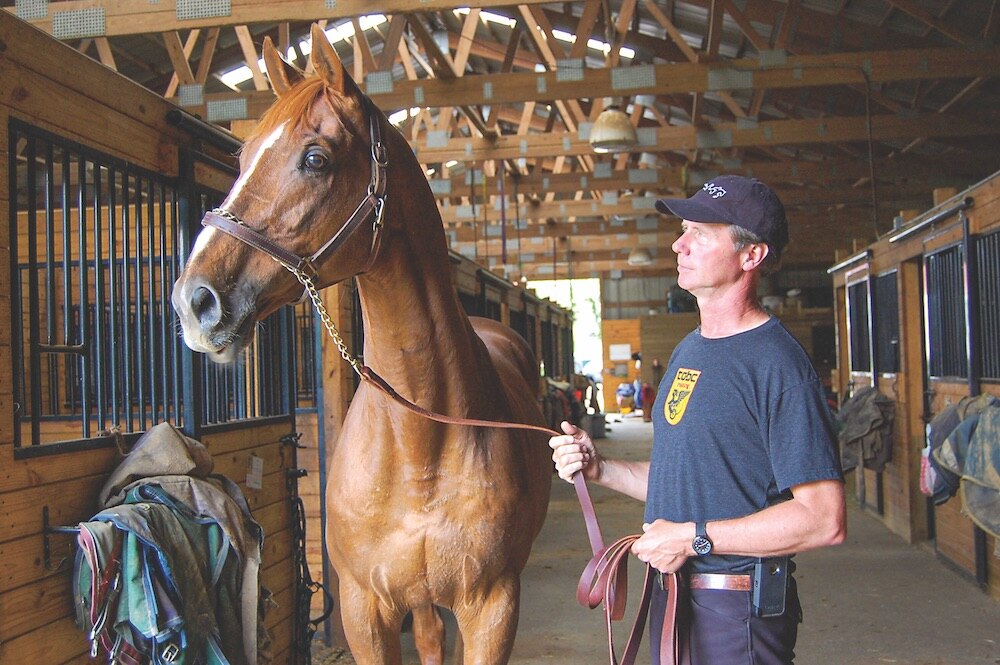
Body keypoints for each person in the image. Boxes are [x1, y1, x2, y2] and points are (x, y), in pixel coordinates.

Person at [550, 175, 846, 665]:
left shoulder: (778, 366)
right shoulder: (690, 350)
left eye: (701, 234)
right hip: (674, 591)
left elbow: (823, 519)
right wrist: (599, 468)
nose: (678, 244)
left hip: (735, 607)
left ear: (751, 256)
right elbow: (687, 482)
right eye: (683, 229)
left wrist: (693, 537)